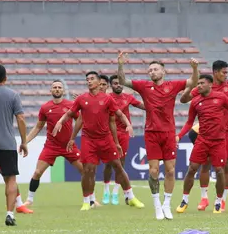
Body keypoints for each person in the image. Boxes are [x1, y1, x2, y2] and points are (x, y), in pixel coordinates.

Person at [118, 52, 199, 220]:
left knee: (170, 170)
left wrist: (195, 68)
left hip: (169, 133)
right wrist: (120, 65)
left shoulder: (174, 85)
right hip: (151, 133)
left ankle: (166, 204)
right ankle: (156, 205)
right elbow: (123, 81)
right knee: (153, 170)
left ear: (163, 72)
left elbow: (193, 82)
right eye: (150, 70)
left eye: (155, 69)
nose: (152, 72)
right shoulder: (143, 86)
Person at [53, 71, 144, 211]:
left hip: (105, 139)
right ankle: (86, 201)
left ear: (98, 81)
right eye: (87, 79)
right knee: (88, 170)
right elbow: (71, 115)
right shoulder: (82, 99)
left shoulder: (107, 99)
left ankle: (130, 197)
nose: (89, 81)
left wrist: (128, 125)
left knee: (118, 166)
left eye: (92, 79)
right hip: (88, 140)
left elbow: (118, 116)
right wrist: (61, 123)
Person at [180, 60, 228, 212]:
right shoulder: (204, 86)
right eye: (224, 72)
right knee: (204, 165)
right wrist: (192, 83)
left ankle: (222, 200)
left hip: (226, 133)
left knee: (225, 166)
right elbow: (185, 99)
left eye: (227, 72)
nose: (226, 75)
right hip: (207, 133)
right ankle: (204, 198)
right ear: (215, 72)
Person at [23, 80, 83, 209]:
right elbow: (38, 127)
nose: (57, 89)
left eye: (59, 87)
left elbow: (81, 121)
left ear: (63, 90)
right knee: (37, 172)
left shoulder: (71, 105)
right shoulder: (45, 107)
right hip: (51, 146)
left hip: (69, 146)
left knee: (85, 171)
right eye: (54, 87)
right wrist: (25, 141)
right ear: (50, 91)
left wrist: (82, 107)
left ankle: (91, 199)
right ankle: (29, 199)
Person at [0, 64, 28, 226]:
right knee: (11, 179)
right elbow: (21, 119)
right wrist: (24, 141)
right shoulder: (13, 95)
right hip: (7, 144)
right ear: (6, 77)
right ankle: (10, 214)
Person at [102, 75, 145, 205]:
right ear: (111, 85)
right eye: (115, 83)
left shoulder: (128, 97)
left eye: (120, 83)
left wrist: (152, 101)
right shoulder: (107, 98)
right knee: (109, 163)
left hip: (124, 134)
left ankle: (115, 192)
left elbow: (143, 106)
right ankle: (106, 189)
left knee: (121, 163)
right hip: (109, 133)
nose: (118, 85)